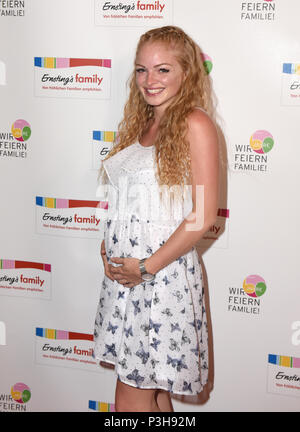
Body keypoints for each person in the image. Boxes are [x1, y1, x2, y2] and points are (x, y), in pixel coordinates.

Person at [93, 25, 220, 412]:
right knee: (154, 395)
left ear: (186, 72)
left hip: (159, 282)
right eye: (142, 70)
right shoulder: (142, 124)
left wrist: (145, 268)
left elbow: (202, 215)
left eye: (163, 70)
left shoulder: (194, 124)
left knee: (129, 402)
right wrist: (108, 245)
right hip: (129, 281)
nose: (150, 80)